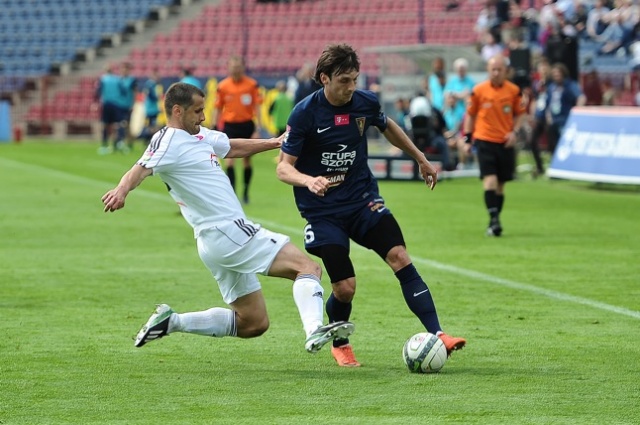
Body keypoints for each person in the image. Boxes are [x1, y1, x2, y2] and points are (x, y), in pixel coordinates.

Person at [101, 82, 354, 355]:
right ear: (177, 111)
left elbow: (231, 147)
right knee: (308, 268)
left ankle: (172, 321)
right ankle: (314, 330)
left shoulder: (198, 135)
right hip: (228, 231)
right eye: (197, 111)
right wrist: (121, 190)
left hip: (213, 242)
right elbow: (141, 168)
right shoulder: (168, 140)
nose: (203, 117)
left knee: (253, 323)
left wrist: (273, 142)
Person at [276, 44, 466, 367]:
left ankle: (439, 333)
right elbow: (283, 166)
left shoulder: (365, 103)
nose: (351, 88)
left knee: (399, 256)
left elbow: (387, 125)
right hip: (323, 212)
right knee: (345, 288)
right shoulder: (305, 113)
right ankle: (340, 340)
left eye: (354, 79)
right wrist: (309, 180)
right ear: (324, 78)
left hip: (363, 200)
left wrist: (420, 158)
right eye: (344, 81)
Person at [463, 54, 527, 237]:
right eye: (493, 69)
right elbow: (471, 115)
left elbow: (520, 114)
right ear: (488, 70)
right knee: (489, 180)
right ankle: (494, 220)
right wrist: (468, 138)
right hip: (484, 139)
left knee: (500, 185)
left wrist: (514, 132)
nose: (496, 73)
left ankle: (494, 219)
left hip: (505, 142)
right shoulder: (478, 90)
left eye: (499, 69)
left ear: (506, 71)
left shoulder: (514, 91)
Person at [211, 56, 263, 204]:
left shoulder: (251, 85)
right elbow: (217, 108)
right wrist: (215, 126)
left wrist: (258, 128)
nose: (236, 69)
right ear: (228, 67)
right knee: (229, 161)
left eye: (238, 67)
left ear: (243, 67)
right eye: (233, 67)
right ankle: (232, 192)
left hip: (247, 124)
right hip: (230, 126)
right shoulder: (223, 86)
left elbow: (257, 106)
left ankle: (245, 192)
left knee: (247, 161)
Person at [535, 62, 585, 155]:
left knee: (565, 143)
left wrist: (577, 112)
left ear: (563, 73)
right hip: (553, 120)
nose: (556, 75)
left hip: (565, 119)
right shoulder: (552, 87)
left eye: (558, 73)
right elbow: (548, 102)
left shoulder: (570, 85)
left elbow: (581, 97)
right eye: (554, 74)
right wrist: (548, 115)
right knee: (553, 145)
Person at [96, 64, 121, 155]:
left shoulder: (103, 79)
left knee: (105, 125)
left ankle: (104, 145)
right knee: (115, 126)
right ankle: (114, 145)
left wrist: (95, 102)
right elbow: (122, 91)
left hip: (106, 104)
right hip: (116, 104)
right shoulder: (117, 79)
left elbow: (98, 91)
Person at [140, 67, 162, 144]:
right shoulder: (151, 84)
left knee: (151, 124)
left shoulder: (151, 84)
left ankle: (148, 139)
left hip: (150, 108)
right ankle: (148, 139)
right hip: (151, 108)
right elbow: (151, 96)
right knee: (152, 124)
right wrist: (157, 98)